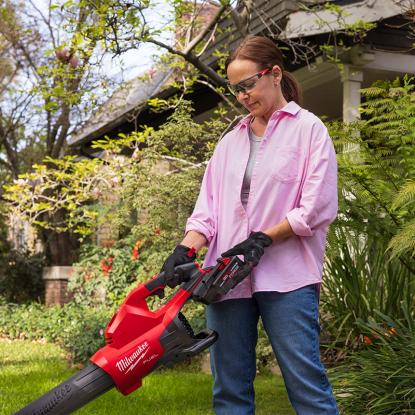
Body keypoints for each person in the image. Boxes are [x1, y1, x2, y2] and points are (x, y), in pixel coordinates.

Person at [160, 35, 339, 415]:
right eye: (235, 89)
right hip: (225, 279)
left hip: (287, 278)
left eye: (248, 85)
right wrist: (185, 248)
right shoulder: (230, 141)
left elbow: (316, 206)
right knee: (229, 390)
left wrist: (264, 238)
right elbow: (207, 210)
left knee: (305, 384)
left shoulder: (309, 130)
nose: (242, 96)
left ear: (274, 74)